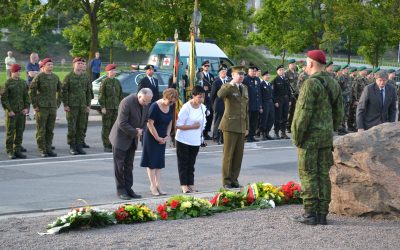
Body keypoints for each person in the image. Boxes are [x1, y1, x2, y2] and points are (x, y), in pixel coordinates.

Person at [290, 50, 343, 225]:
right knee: (323, 174)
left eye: (306, 62)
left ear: (311, 63)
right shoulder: (334, 83)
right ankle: (322, 214)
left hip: (310, 139)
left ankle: (310, 213)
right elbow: (339, 113)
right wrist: (330, 130)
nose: (305, 66)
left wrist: (297, 137)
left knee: (308, 174)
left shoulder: (310, 84)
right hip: (326, 138)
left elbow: (302, 114)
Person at [109, 88, 153, 200]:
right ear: (139, 97)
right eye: (145, 101)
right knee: (119, 166)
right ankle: (121, 190)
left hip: (133, 139)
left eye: (149, 102)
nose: (146, 104)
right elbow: (121, 123)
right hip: (120, 138)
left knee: (129, 165)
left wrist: (141, 130)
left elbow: (145, 119)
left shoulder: (146, 102)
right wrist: (135, 131)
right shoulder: (126, 102)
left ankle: (129, 189)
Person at [141, 88, 178, 196]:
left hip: (162, 137)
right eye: (170, 101)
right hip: (152, 137)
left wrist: (167, 134)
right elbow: (150, 124)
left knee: (159, 163)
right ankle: (152, 185)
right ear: (165, 97)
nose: (171, 104)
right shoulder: (154, 106)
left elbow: (170, 121)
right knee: (152, 163)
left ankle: (158, 185)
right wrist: (157, 137)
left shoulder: (170, 106)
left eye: (173, 102)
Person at [217, 66, 249, 189]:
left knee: (238, 155)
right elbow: (220, 95)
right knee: (228, 154)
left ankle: (234, 179)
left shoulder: (244, 88)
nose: (241, 76)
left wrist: (247, 126)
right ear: (233, 75)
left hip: (241, 125)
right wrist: (230, 84)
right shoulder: (228, 87)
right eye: (238, 74)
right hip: (230, 125)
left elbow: (245, 109)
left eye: (243, 74)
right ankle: (226, 181)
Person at [175, 86, 207, 193]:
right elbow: (178, 125)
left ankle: (191, 184)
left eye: (203, 97)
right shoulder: (186, 107)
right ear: (193, 96)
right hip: (183, 139)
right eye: (199, 97)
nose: (201, 99)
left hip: (195, 140)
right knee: (183, 163)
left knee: (191, 163)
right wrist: (192, 127)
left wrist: (201, 136)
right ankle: (184, 185)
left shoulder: (203, 107)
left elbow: (203, 123)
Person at [29, 58, 62, 157]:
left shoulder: (55, 77)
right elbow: (32, 91)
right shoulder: (39, 77)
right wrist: (35, 105)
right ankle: (42, 149)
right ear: (43, 66)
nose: (51, 66)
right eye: (48, 64)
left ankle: (48, 148)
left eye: (52, 64)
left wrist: (57, 103)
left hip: (52, 107)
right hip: (42, 107)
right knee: (41, 129)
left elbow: (61, 91)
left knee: (50, 129)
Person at [62, 57, 92, 155]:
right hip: (72, 106)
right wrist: (65, 104)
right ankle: (72, 146)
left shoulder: (86, 77)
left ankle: (79, 146)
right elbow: (64, 92)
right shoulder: (68, 77)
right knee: (72, 127)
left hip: (83, 106)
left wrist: (88, 105)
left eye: (82, 63)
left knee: (81, 127)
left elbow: (88, 93)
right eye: (78, 63)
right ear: (73, 65)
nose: (80, 65)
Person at [1, 64, 30, 159]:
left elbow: (26, 96)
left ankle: (17, 150)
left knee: (19, 132)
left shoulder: (22, 83)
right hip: (12, 112)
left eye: (19, 71)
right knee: (10, 132)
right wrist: (9, 110)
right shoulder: (8, 83)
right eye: (17, 71)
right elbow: (4, 99)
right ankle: (10, 151)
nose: (18, 73)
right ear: (12, 72)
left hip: (21, 112)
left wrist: (26, 108)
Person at [98, 64, 123, 152]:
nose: (113, 72)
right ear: (107, 72)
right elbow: (101, 96)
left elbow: (120, 95)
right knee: (106, 127)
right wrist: (103, 107)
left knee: (114, 127)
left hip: (116, 108)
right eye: (111, 70)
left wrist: (120, 106)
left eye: (114, 70)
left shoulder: (117, 82)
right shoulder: (105, 82)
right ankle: (106, 145)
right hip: (107, 108)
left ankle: (113, 143)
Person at [271, 65, 292, 139]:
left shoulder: (285, 79)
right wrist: (275, 101)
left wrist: (289, 100)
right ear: (277, 71)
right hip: (279, 100)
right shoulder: (275, 80)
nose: (282, 71)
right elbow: (273, 92)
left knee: (285, 116)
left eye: (283, 70)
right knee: (278, 117)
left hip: (285, 100)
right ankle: (276, 132)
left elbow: (289, 90)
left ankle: (283, 133)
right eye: (280, 70)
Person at [243, 65, 261, 142]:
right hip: (249, 104)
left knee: (254, 121)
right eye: (252, 71)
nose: (253, 73)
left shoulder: (257, 79)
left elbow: (259, 92)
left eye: (254, 71)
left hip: (256, 104)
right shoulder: (245, 79)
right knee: (248, 121)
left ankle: (252, 135)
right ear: (248, 72)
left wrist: (260, 105)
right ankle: (246, 136)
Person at [210, 64, 228, 144]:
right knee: (218, 121)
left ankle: (223, 138)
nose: (224, 73)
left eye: (225, 72)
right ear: (219, 73)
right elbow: (213, 95)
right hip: (219, 104)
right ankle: (216, 137)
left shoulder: (228, 81)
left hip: (226, 104)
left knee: (225, 121)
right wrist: (213, 105)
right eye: (222, 72)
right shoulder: (216, 82)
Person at [259, 71, 275, 140]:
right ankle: (262, 133)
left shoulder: (269, 84)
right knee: (264, 119)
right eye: (266, 75)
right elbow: (260, 96)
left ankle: (267, 132)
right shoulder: (261, 84)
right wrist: (261, 106)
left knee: (271, 118)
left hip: (270, 102)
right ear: (263, 76)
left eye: (268, 75)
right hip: (264, 103)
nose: (268, 77)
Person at [201, 60, 214, 140]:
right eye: (205, 65)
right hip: (203, 98)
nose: (207, 67)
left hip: (210, 98)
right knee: (204, 116)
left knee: (210, 116)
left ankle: (206, 133)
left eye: (208, 66)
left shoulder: (211, 75)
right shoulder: (199, 75)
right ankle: (202, 133)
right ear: (202, 66)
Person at [285, 59, 299, 133]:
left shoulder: (296, 73)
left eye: (294, 64)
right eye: (292, 64)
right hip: (290, 95)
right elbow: (286, 85)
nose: (293, 65)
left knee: (294, 111)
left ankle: (292, 126)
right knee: (289, 111)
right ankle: (287, 126)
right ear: (289, 65)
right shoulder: (286, 73)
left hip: (296, 94)